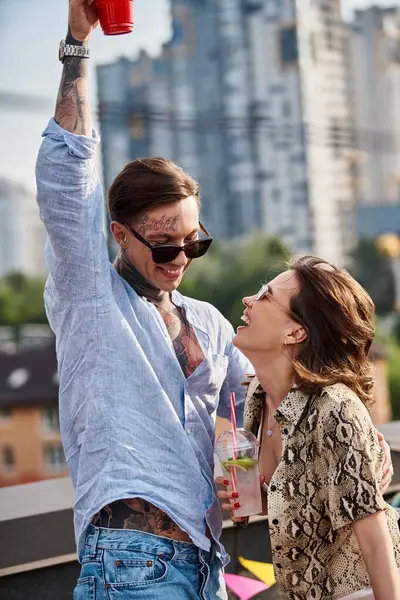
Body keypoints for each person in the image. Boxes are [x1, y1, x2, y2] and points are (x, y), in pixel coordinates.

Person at [35, 2, 251, 599]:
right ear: (119, 233)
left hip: (208, 562)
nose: (180, 258)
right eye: (162, 245)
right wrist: (78, 43)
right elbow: (65, 177)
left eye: (194, 243)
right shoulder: (90, 297)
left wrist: (348, 444)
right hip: (132, 564)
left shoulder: (207, 322)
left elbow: (259, 397)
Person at [217, 256, 400, 600]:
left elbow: (375, 540)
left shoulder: (336, 409)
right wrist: (257, 501)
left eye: (266, 295)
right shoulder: (257, 398)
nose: (248, 300)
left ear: (296, 331)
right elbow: (305, 503)